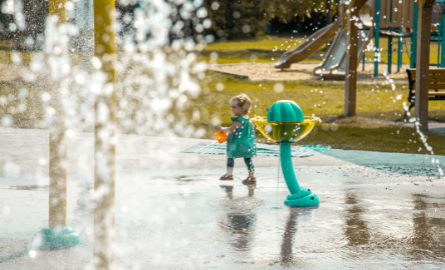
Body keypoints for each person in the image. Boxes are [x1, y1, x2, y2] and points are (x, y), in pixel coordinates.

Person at [218, 94, 257, 183]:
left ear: (243, 108)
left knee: (230, 157)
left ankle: (229, 175)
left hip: (236, 144)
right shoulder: (247, 118)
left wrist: (223, 129)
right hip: (247, 144)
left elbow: (231, 130)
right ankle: (252, 177)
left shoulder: (238, 120)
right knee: (248, 159)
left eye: (234, 107)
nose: (232, 109)